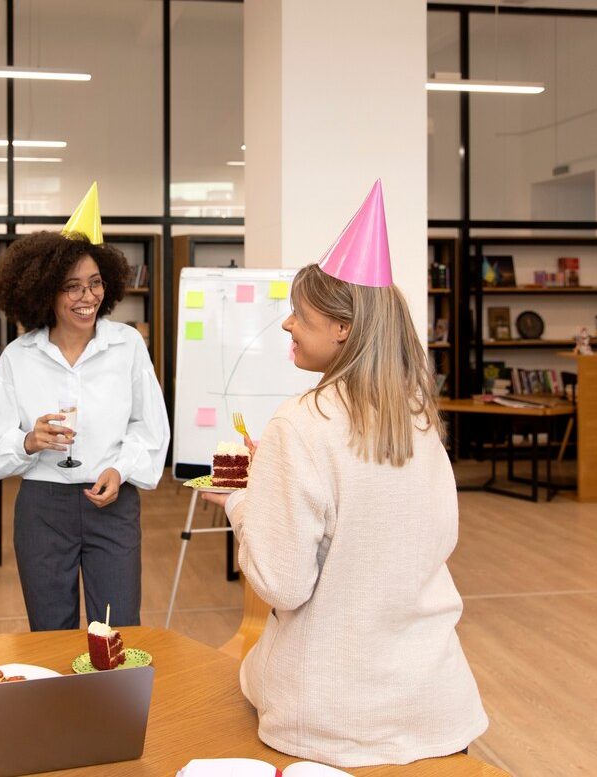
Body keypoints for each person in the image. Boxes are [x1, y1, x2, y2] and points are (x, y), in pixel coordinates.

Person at [202, 182, 487, 766]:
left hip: (330, 715)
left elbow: (282, 584)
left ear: (342, 329)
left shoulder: (300, 424)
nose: (285, 326)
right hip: (434, 705)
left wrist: (238, 497)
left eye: (299, 315)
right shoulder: (417, 416)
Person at [0, 217, 168, 631]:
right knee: (48, 633)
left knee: (116, 629)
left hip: (111, 503)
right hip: (43, 509)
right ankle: (57, 698)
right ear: (45, 293)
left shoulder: (127, 345)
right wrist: (28, 441)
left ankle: (113, 698)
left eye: (95, 283)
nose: (87, 296)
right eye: (72, 286)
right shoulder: (19, 356)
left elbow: (149, 426)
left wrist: (121, 469)